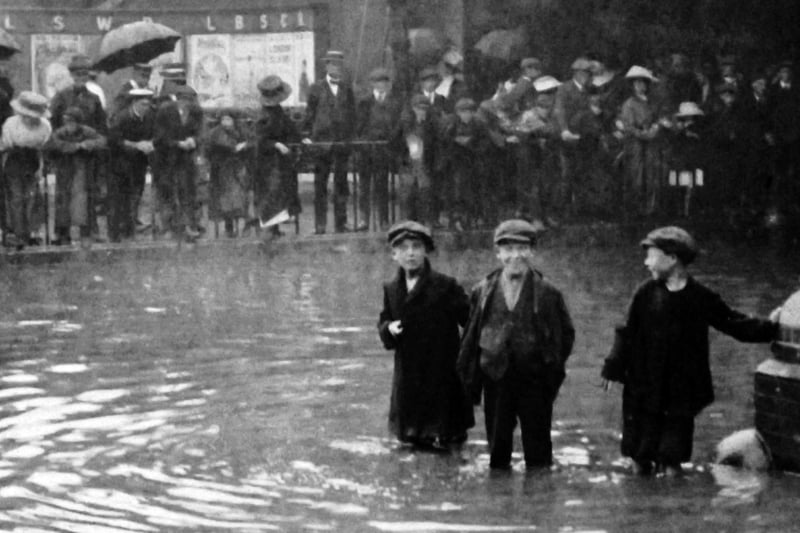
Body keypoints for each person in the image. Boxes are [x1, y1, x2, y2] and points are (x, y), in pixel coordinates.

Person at [601, 226, 780, 477]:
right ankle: (639, 505)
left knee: (672, 457)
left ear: (672, 259)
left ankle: (673, 505)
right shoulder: (645, 293)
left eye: (651, 256)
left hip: (680, 393)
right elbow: (627, 332)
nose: (646, 263)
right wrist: (612, 366)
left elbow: (733, 323)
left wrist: (774, 328)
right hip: (644, 390)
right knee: (639, 456)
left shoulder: (700, 297)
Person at [457, 219, 575, 470]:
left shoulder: (547, 293)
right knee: (497, 454)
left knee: (539, 455)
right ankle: (499, 500)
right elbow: (470, 337)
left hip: (535, 381)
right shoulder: (483, 291)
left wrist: (549, 371)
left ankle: (539, 501)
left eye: (522, 248)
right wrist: (472, 379)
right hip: (495, 379)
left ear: (532, 251)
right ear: (497, 253)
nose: (515, 256)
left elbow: (565, 336)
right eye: (508, 249)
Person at [378, 220, 473, 450]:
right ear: (394, 254)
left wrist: (465, 365)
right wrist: (388, 329)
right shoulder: (391, 289)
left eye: (416, 246)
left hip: (442, 381)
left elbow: (471, 323)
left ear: (425, 251)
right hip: (408, 383)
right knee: (410, 446)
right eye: (403, 248)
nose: (410, 253)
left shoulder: (445, 286)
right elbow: (384, 322)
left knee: (448, 446)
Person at [49, 54, 108, 240]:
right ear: (71, 75)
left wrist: (93, 144)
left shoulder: (94, 99)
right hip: (66, 153)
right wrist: (63, 145)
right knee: (63, 191)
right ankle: (62, 231)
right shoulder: (61, 97)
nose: (81, 78)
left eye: (84, 74)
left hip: (87, 153)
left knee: (88, 191)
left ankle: (89, 229)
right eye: (77, 74)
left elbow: (101, 126)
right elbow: (54, 124)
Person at [302, 50, 356, 234]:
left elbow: (351, 115)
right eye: (333, 64)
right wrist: (307, 135)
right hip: (322, 144)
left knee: (341, 184)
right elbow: (309, 114)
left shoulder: (347, 88)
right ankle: (320, 224)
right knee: (320, 185)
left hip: (341, 143)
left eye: (339, 65)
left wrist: (350, 138)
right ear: (326, 66)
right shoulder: (316, 88)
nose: (336, 68)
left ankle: (341, 223)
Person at [45, 106, 106, 245]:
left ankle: (87, 233)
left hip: (83, 171)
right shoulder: (59, 133)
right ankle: (62, 234)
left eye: (72, 121)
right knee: (63, 203)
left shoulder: (87, 131)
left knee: (84, 203)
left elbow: (101, 141)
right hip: (65, 172)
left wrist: (89, 144)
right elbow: (53, 146)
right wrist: (75, 147)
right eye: (66, 121)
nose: (69, 125)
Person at [0, 91, 52, 250]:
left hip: (33, 161)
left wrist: (41, 167)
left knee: (31, 197)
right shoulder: (11, 123)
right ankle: (17, 233)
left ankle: (29, 232)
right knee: (16, 198)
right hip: (14, 160)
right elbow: (5, 145)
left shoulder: (44, 126)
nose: (29, 118)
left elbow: (43, 147)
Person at [153, 84, 204, 242]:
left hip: (186, 158)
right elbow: (159, 136)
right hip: (166, 158)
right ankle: (167, 227)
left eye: (190, 101)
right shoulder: (165, 111)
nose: (186, 104)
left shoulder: (196, 112)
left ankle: (189, 225)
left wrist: (193, 140)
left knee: (188, 191)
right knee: (167, 192)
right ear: (178, 100)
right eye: (183, 101)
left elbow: (201, 132)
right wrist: (177, 143)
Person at [355, 67, 403, 231]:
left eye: (384, 82)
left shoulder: (395, 103)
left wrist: (389, 141)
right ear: (372, 84)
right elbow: (359, 126)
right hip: (367, 150)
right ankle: (364, 219)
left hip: (384, 150)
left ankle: (383, 219)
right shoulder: (364, 101)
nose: (381, 85)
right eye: (377, 82)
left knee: (382, 186)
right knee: (364, 186)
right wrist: (363, 143)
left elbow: (397, 126)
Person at [253, 75, 301, 237]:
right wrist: (276, 145)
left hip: (279, 162)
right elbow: (259, 140)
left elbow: (290, 129)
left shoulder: (278, 111)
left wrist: (300, 139)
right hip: (268, 163)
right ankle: (268, 229)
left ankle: (275, 228)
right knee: (271, 193)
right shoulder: (264, 116)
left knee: (279, 193)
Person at [106, 88, 155, 242]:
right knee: (118, 199)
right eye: (142, 104)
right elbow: (115, 141)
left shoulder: (149, 117)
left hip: (138, 164)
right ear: (134, 103)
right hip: (119, 165)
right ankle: (115, 234)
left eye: (147, 105)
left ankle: (129, 230)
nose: (145, 108)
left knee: (135, 197)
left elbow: (154, 135)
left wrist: (150, 144)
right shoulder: (121, 118)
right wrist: (136, 145)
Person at [619, 65, 664, 218]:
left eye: (643, 82)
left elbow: (658, 119)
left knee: (652, 175)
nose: (640, 86)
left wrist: (655, 129)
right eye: (637, 83)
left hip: (651, 144)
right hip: (635, 145)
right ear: (632, 85)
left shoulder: (652, 103)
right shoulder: (629, 104)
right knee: (637, 176)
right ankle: (636, 210)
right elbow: (629, 127)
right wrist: (644, 134)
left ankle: (651, 209)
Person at [440, 97, 490, 230]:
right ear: (458, 113)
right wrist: (456, 143)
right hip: (456, 161)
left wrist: (471, 144)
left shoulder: (479, 124)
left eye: (469, 112)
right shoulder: (451, 124)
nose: (466, 115)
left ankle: (476, 216)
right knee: (457, 189)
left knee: (476, 189)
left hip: (474, 161)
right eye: (463, 112)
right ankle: (456, 216)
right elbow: (444, 141)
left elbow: (485, 143)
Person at [553, 57, 593, 218]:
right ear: (575, 73)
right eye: (581, 72)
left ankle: (580, 210)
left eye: (587, 73)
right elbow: (560, 110)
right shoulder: (565, 88)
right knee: (567, 174)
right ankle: (563, 210)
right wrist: (564, 130)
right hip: (568, 138)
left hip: (584, 137)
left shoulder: (588, 90)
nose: (585, 76)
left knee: (582, 173)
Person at [206, 111, 251, 238]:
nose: (225, 122)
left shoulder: (241, 130)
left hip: (238, 169)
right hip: (222, 170)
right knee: (225, 200)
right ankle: (229, 226)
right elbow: (217, 147)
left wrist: (245, 145)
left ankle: (243, 223)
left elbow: (251, 141)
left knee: (240, 197)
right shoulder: (216, 133)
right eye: (223, 119)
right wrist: (236, 147)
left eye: (228, 119)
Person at [397, 95, 437, 225]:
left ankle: (425, 222)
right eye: (419, 109)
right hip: (409, 164)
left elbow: (434, 142)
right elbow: (396, 141)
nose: (422, 111)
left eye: (424, 109)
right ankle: (409, 223)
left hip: (424, 164)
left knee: (425, 194)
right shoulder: (405, 122)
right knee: (407, 195)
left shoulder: (430, 124)